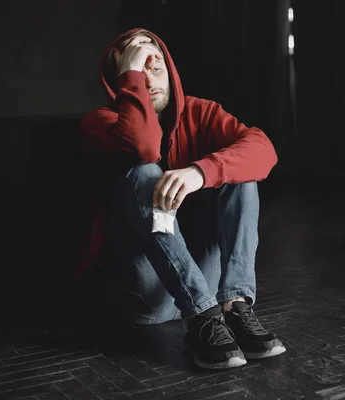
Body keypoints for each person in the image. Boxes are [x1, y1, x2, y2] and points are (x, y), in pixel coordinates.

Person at [76, 27, 285, 369]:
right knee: (143, 173)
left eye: (155, 68)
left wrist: (201, 171)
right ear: (122, 85)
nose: (149, 79)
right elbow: (143, 147)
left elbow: (263, 149)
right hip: (145, 295)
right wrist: (134, 78)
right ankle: (200, 316)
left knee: (239, 172)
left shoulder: (201, 113)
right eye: (136, 75)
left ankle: (235, 306)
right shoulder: (100, 123)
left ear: (171, 72)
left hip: (207, 285)